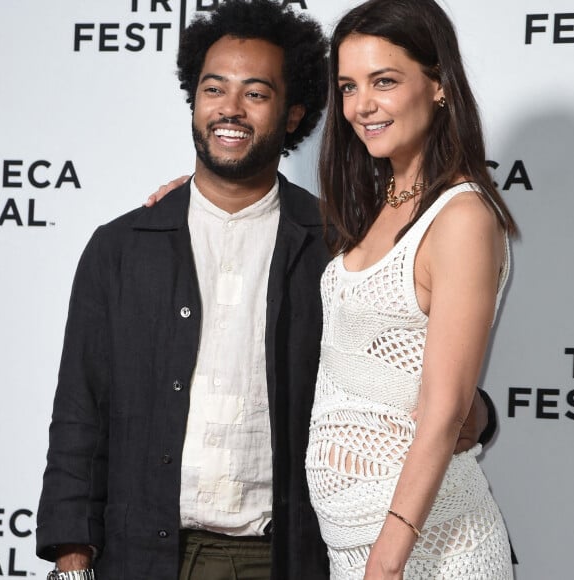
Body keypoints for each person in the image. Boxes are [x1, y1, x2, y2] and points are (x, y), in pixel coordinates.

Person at [36, 1, 496, 579]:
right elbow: (78, 414)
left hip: (289, 556)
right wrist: (71, 561)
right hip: (143, 557)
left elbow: (394, 359)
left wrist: (476, 411)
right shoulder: (123, 247)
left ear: (293, 113)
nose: (229, 109)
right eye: (213, 90)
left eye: (255, 93)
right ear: (194, 100)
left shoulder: (339, 245)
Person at [304, 0, 517, 579]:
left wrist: (387, 562)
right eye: (348, 86)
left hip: (429, 553)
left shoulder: (463, 216)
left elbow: (446, 411)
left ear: (439, 84)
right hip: (357, 549)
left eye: (385, 81)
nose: (361, 105)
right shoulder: (375, 207)